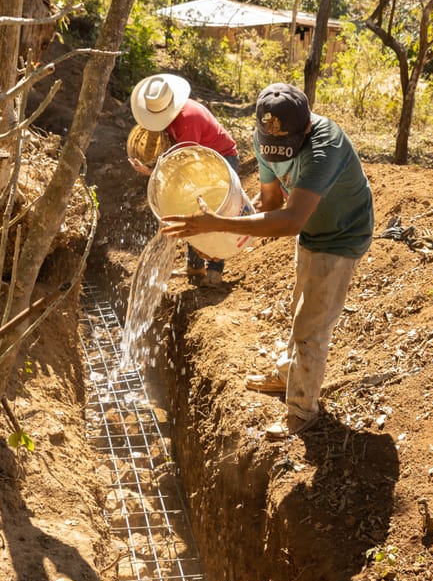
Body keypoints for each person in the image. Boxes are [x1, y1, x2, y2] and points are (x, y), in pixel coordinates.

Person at [160, 82, 373, 439]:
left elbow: (290, 221)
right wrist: (218, 237)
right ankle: (287, 374)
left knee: (312, 327)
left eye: (285, 148)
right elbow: (271, 203)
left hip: (342, 234)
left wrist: (218, 224)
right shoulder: (265, 140)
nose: (276, 154)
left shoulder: (325, 147)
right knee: (300, 307)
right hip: (312, 230)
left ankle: (302, 411)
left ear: (306, 126)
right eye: (269, 145)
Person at [128, 73, 239, 287]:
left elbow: (183, 167)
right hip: (199, 159)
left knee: (211, 212)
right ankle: (195, 266)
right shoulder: (172, 117)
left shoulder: (188, 120)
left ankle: (214, 271)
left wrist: (150, 172)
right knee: (190, 209)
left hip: (221, 160)